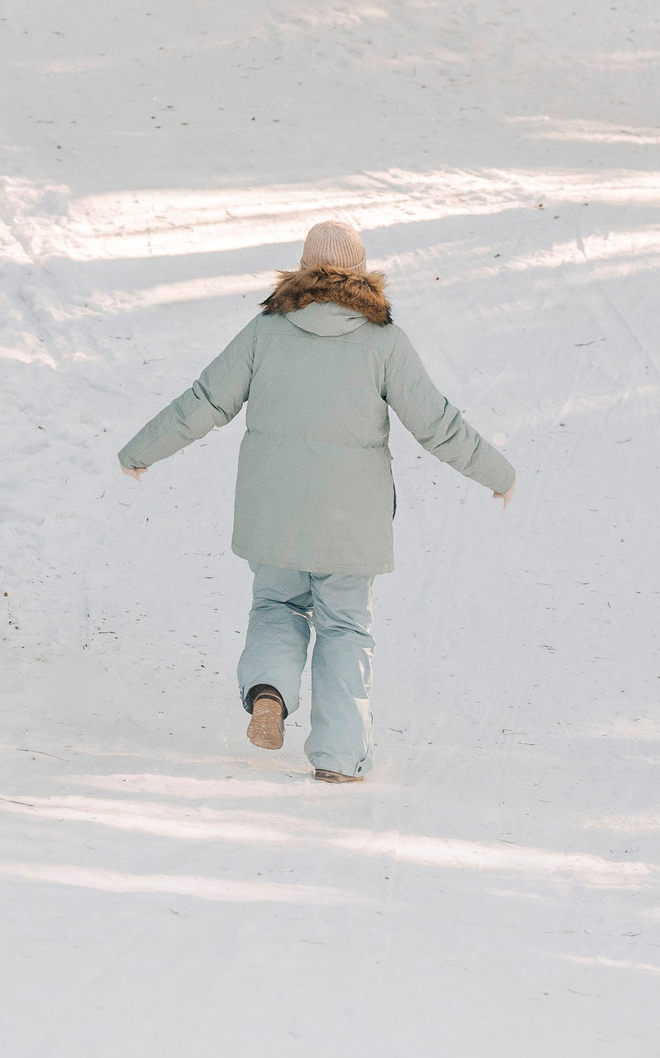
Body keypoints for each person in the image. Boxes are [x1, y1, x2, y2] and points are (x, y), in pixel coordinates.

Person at [118, 221, 515, 783]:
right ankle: (338, 755)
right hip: (352, 524)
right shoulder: (384, 341)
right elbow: (437, 425)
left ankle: (270, 693)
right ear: (361, 274)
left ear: (301, 272)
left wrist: (141, 451)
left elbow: (205, 401)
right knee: (345, 628)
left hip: (274, 514)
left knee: (277, 607)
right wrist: (497, 474)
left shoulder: (265, 332)